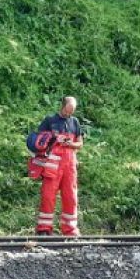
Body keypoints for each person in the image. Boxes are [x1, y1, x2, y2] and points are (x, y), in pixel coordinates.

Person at [32, 96, 84, 236]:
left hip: (70, 164)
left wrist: (70, 144)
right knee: (48, 195)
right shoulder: (50, 120)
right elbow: (38, 141)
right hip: (52, 164)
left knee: (71, 197)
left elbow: (80, 144)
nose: (69, 114)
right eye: (68, 110)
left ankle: (70, 230)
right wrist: (53, 139)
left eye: (72, 111)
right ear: (62, 106)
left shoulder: (75, 122)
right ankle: (44, 229)